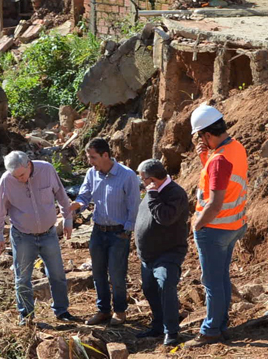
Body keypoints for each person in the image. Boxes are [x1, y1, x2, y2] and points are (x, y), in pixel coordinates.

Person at [185, 104, 248, 347]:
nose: (203, 141)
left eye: (202, 138)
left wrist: (197, 225)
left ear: (207, 135)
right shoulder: (235, 148)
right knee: (220, 278)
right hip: (234, 225)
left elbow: (214, 202)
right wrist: (204, 155)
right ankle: (220, 324)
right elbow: (220, 179)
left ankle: (211, 330)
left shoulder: (219, 159)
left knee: (212, 283)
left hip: (215, 228)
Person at [0, 151, 76, 325]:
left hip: (49, 234)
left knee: (57, 274)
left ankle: (62, 311)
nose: (20, 179)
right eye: (16, 176)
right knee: (22, 278)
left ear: (29, 164)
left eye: (21, 174)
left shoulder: (47, 170)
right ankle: (27, 317)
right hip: (23, 236)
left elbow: (61, 195)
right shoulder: (7, 180)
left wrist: (68, 219)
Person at [69, 138, 140, 326]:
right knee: (98, 273)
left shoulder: (127, 175)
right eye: (89, 157)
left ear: (105, 155)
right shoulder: (92, 174)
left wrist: (127, 231)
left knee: (117, 274)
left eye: (93, 157)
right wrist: (75, 206)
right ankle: (103, 311)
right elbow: (84, 196)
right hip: (98, 230)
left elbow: (134, 206)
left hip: (119, 233)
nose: (90, 162)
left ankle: (120, 311)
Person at [134, 159, 189, 346]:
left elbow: (165, 218)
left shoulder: (175, 193)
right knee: (149, 289)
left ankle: (172, 332)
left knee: (166, 285)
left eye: (143, 179)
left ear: (152, 179)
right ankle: (158, 325)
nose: (142, 183)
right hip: (148, 255)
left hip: (168, 252)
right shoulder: (152, 192)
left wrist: (153, 194)